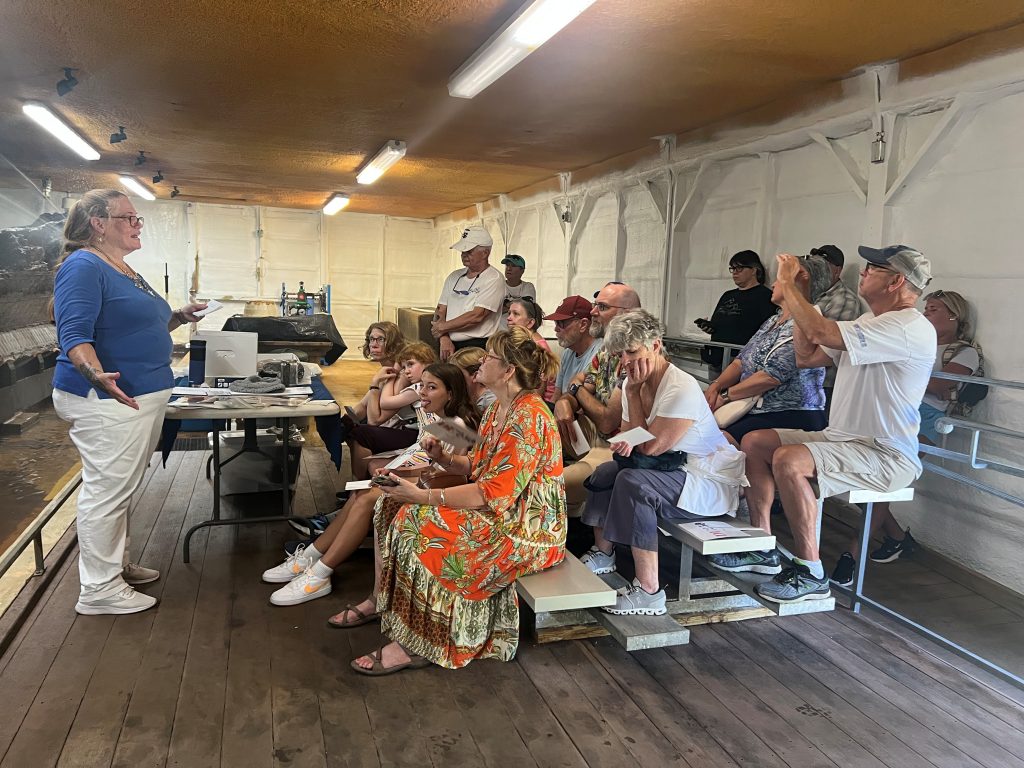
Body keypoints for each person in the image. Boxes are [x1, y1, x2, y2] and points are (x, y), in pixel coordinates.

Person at [710, 246, 935, 604]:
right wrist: (804, 297)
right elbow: (807, 356)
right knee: (755, 442)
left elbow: (819, 333)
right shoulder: (868, 323)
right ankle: (762, 544)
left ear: (896, 282)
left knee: (788, 459)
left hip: (884, 452)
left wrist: (789, 285)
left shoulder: (908, 327)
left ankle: (809, 571)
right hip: (842, 439)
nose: (863, 273)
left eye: (873, 269)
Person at [350, 326, 566, 674]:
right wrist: (445, 459)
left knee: (415, 521)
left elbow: (491, 493)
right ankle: (388, 606)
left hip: (526, 529)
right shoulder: (500, 408)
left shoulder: (529, 418)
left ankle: (423, 641)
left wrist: (423, 495)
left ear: (508, 370)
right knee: (389, 505)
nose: (482, 362)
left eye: (490, 357)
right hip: (500, 510)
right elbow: (478, 467)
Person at [51, 189, 207, 615]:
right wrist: (96, 375)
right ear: (98, 223)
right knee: (106, 490)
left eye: (138, 219)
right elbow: (74, 334)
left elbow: (149, 322)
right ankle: (99, 590)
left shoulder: (121, 268)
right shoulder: (84, 266)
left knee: (120, 487)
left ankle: (113, 565)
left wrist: (178, 316)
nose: (138, 225)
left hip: (138, 396)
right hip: (111, 399)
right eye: (129, 217)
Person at [263, 363, 481, 608]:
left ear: (450, 393)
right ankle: (311, 557)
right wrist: (397, 470)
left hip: (437, 491)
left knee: (367, 497)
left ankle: (320, 572)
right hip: (424, 480)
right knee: (362, 491)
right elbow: (430, 462)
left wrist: (401, 475)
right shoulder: (441, 418)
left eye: (432, 388)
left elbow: (449, 474)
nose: (422, 393)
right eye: (422, 386)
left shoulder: (458, 426)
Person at [580, 310, 742, 615]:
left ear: (655, 345)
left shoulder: (681, 386)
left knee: (632, 483)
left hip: (702, 479)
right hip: (668, 468)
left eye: (632, 351)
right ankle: (604, 554)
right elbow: (631, 438)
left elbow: (651, 446)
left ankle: (649, 590)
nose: (626, 361)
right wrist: (633, 393)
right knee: (604, 473)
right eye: (621, 354)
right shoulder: (634, 382)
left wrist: (633, 393)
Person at [829, 289, 982, 586]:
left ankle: (852, 555)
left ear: (954, 315)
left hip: (924, 422)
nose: (926, 314)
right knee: (865, 482)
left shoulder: (964, 351)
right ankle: (898, 538)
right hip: (889, 414)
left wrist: (901, 369)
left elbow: (939, 386)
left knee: (882, 486)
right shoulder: (911, 338)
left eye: (934, 309)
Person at [705, 255, 833, 444]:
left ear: (799, 280)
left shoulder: (805, 323)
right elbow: (741, 360)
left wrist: (724, 396)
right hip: (753, 407)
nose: (773, 284)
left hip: (790, 412)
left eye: (780, 279)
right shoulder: (773, 321)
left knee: (717, 440)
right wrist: (715, 386)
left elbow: (771, 376)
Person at [553, 281, 641, 501]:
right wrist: (565, 401)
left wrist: (575, 388)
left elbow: (607, 421)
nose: (593, 312)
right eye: (595, 305)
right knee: (534, 437)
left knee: (548, 487)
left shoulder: (636, 356)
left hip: (621, 449)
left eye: (601, 307)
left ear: (627, 314)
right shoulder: (607, 351)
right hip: (597, 439)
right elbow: (582, 387)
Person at [695, 250, 776, 377]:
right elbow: (718, 324)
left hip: (740, 361)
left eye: (739, 268)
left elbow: (769, 331)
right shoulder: (727, 295)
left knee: (733, 396)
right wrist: (709, 327)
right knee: (713, 393)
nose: (735, 272)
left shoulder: (765, 296)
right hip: (717, 357)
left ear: (754, 270)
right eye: (732, 269)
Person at [432, 226, 504, 360]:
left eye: (469, 251)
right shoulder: (454, 276)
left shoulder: (494, 278)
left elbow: (476, 316)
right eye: (462, 251)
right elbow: (440, 311)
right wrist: (444, 337)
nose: (464, 254)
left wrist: (442, 328)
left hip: (476, 347)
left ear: (485, 253)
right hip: (448, 344)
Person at [808, 245, 864, 406]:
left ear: (837, 271)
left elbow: (826, 346)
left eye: (823, 266)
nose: (816, 271)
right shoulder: (811, 293)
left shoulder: (844, 300)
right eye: (814, 265)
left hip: (821, 385)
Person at [545, 295, 601, 401]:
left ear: (583, 324)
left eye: (561, 323)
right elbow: (557, 395)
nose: (556, 329)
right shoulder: (567, 353)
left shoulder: (599, 354)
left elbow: (582, 405)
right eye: (556, 323)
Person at [506, 297, 557, 402]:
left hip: (543, 403)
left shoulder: (538, 347)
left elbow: (539, 389)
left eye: (516, 314)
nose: (509, 318)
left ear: (530, 323)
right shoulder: (525, 342)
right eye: (509, 313)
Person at [449, 346, 496, 411]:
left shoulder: (490, 403)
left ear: (476, 375)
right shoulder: (469, 402)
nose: (452, 380)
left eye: (457, 375)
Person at [499, 254, 536, 328]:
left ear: (522, 270)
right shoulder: (498, 285)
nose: (509, 268)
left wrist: (505, 304)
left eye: (513, 266)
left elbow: (526, 307)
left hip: (520, 332)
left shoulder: (528, 286)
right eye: (507, 265)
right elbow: (494, 310)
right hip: (500, 331)